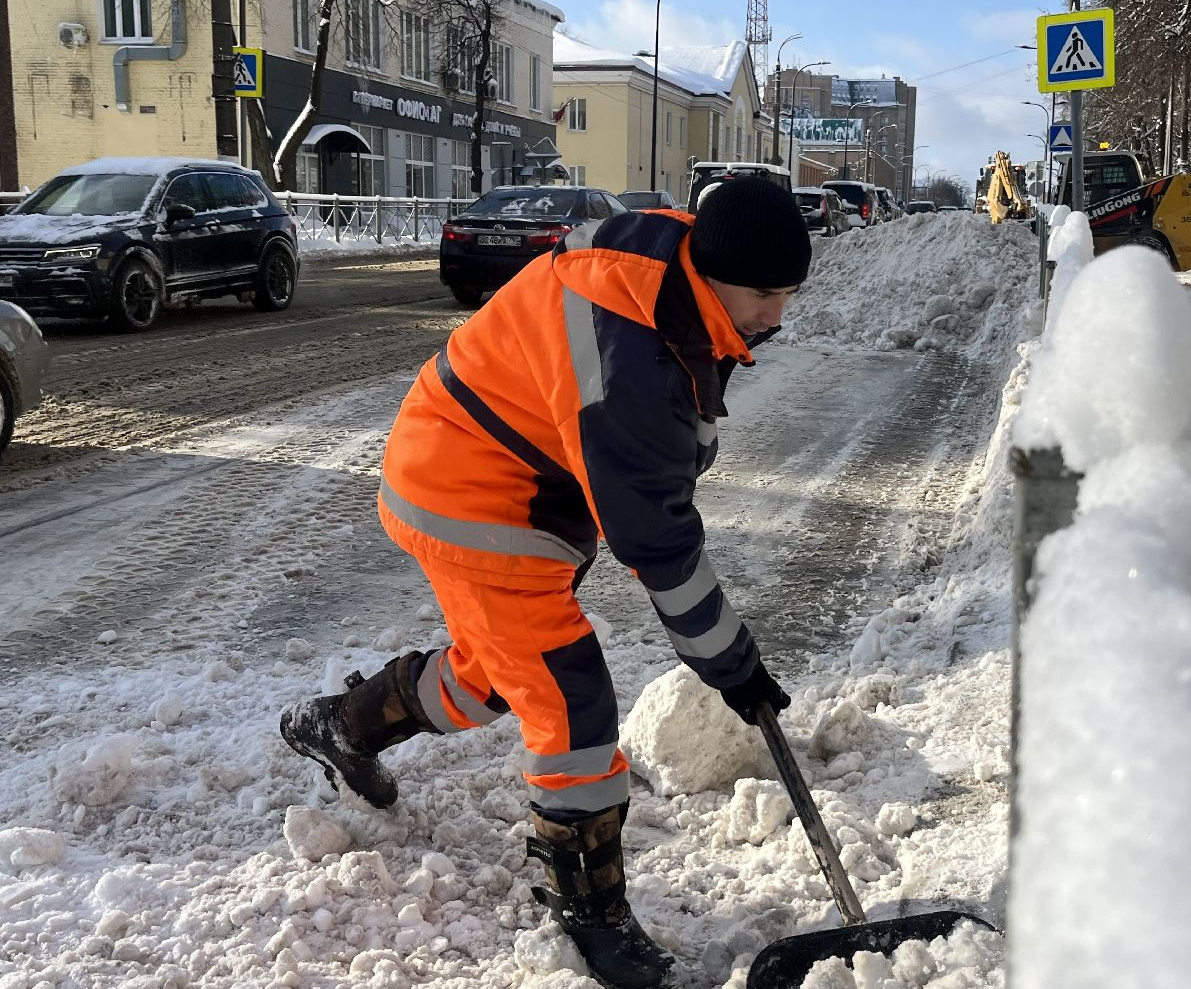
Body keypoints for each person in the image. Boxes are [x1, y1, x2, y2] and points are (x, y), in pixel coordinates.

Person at [280, 177, 809, 989]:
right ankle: (590, 911)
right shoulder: (632, 350)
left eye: (788, 294)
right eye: (766, 294)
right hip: (471, 490)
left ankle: (348, 723)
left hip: (498, 471)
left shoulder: (673, 271)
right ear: (715, 269)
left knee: (499, 675)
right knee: (569, 693)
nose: (777, 315)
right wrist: (731, 663)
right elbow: (657, 542)